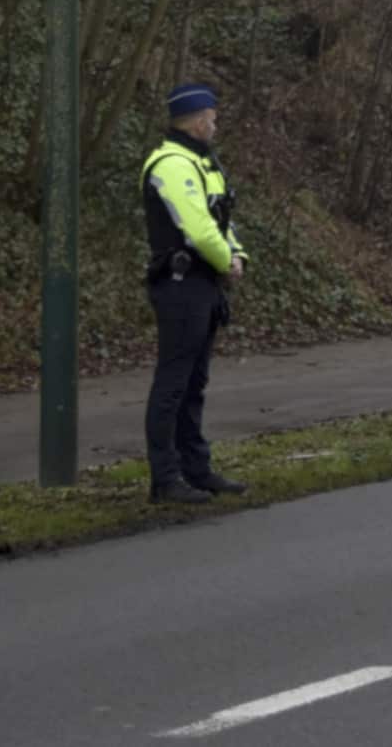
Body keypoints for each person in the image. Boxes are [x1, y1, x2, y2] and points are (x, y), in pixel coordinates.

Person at [140, 83, 250, 504]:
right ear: (199, 119)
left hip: (203, 284)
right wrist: (227, 260)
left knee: (193, 383)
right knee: (173, 383)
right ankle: (165, 478)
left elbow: (221, 220)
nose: (216, 123)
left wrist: (235, 254)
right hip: (181, 284)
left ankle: (195, 469)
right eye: (213, 117)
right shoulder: (171, 164)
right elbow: (197, 227)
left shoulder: (203, 163)